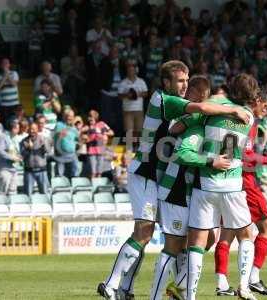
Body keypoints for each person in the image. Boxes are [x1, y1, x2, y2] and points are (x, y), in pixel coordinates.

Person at [97, 60, 249, 300]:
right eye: (180, 81)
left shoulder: (173, 107)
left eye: (187, 81)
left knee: (176, 238)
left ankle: (130, 288)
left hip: (157, 178)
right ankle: (111, 284)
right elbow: (201, 109)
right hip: (145, 174)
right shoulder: (163, 100)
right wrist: (233, 110)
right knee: (145, 233)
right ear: (166, 82)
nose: (184, 85)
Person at [150, 75, 224, 300]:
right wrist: (211, 161)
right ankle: (156, 296)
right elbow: (179, 144)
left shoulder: (198, 119)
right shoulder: (189, 119)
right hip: (176, 188)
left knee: (208, 237)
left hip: (192, 190)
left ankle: (179, 286)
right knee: (173, 246)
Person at [184, 74, 258, 300]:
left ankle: (190, 296)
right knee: (246, 235)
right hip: (233, 184)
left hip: (206, 183)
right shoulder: (249, 116)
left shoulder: (214, 103)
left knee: (197, 242)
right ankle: (244, 286)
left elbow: (202, 109)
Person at [213, 89, 267, 299]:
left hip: (229, 181)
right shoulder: (247, 119)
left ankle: (222, 283)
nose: (265, 110)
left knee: (227, 232)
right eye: (264, 106)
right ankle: (253, 278)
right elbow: (245, 155)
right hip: (245, 181)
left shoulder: (233, 117)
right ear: (256, 101)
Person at [118, 61, 148, 146]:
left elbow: (146, 93)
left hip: (139, 109)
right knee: (129, 131)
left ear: (135, 71)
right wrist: (127, 95)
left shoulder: (141, 81)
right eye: (129, 70)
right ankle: (129, 148)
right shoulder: (123, 82)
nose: (131, 72)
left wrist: (138, 94)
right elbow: (119, 96)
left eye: (132, 70)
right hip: (127, 110)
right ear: (127, 71)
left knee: (138, 130)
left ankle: (138, 147)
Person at [20, 122, 51, 196]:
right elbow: (22, 155)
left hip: (42, 171)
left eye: (34, 129)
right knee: (28, 194)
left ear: (37, 129)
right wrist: (28, 149)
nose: (32, 131)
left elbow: (48, 151)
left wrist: (44, 145)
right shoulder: (24, 141)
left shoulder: (43, 139)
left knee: (44, 193)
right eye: (30, 129)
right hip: (29, 171)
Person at [83, 110, 114, 178]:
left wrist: (103, 133)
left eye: (91, 116)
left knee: (99, 171)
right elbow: (82, 133)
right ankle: (93, 184)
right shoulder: (87, 126)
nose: (90, 118)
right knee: (93, 171)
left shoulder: (101, 124)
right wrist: (85, 137)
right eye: (89, 116)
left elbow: (111, 132)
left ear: (95, 117)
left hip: (100, 149)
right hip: (91, 149)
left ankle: (98, 182)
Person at [0, 119, 22, 195]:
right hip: (4, 169)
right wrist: (12, 157)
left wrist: (18, 156)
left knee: (13, 191)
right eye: (17, 128)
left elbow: (15, 151)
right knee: (3, 191)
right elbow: (0, 151)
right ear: (13, 128)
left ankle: (12, 206)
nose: (19, 130)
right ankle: (0, 206)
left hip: (14, 168)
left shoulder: (15, 137)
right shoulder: (2, 136)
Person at [53, 109, 79, 178]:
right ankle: (59, 185)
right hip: (61, 152)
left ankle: (74, 184)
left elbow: (77, 139)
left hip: (72, 153)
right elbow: (55, 137)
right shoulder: (59, 125)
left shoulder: (74, 128)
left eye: (71, 116)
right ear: (64, 117)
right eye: (68, 116)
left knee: (75, 171)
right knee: (59, 173)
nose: (69, 118)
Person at [0, 57, 20, 125]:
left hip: (14, 103)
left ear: (9, 65)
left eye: (7, 63)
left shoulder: (14, 73)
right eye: (3, 63)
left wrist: (7, 75)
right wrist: (5, 76)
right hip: (3, 104)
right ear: (0, 65)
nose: (5, 64)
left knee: (14, 122)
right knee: (4, 122)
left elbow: (14, 84)